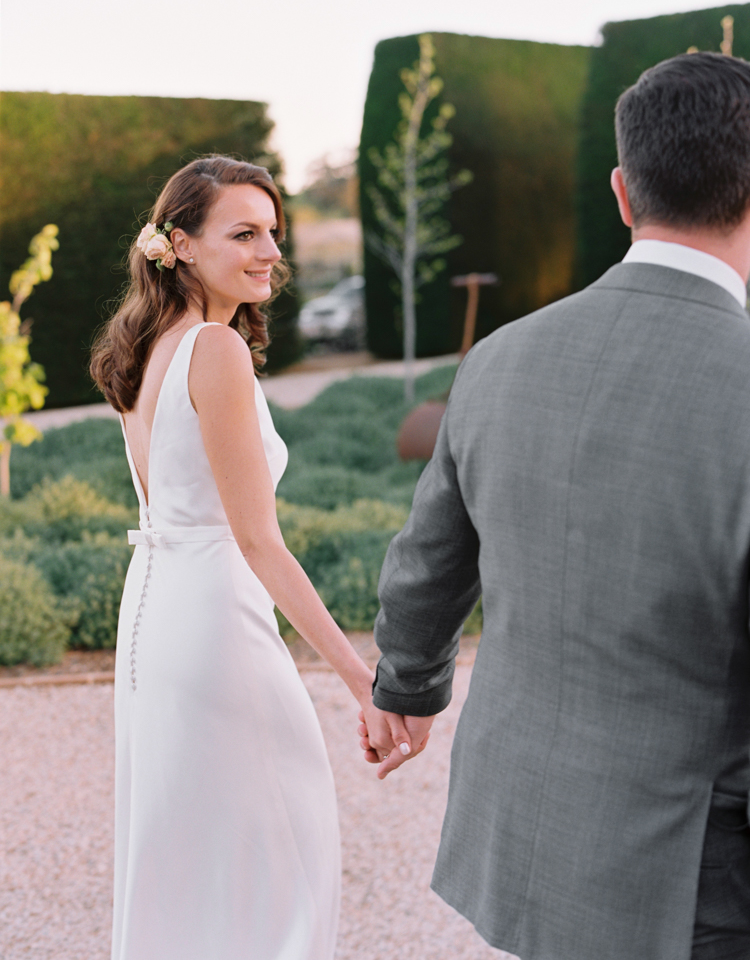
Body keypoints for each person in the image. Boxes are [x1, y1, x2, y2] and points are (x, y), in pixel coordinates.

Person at [360, 52, 750, 960]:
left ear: (621, 192)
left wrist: (407, 687)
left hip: (530, 835)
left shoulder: (500, 356)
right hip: (690, 873)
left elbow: (427, 562)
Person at [90, 155, 412, 960]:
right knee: (282, 857)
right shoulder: (213, 351)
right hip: (214, 623)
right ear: (182, 245)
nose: (270, 251)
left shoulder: (145, 345)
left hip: (153, 620)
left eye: (273, 231)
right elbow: (257, 539)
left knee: (188, 858)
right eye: (243, 233)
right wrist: (361, 677)